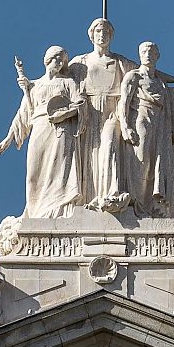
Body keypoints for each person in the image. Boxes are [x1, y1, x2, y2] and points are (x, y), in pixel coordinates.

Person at [0, 46, 85, 219]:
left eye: (62, 60)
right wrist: (9, 137)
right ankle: (35, 212)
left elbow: (80, 104)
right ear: (47, 59)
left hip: (61, 130)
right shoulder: (35, 86)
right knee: (33, 174)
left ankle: (60, 211)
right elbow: (23, 114)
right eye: (56, 58)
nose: (59, 63)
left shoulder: (68, 83)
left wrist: (64, 114)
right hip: (39, 126)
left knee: (60, 171)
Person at [117, 41, 174, 217]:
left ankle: (150, 205)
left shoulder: (160, 81)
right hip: (141, 120)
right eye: (144, 51)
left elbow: (160, 77)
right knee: (140, 160)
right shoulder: (133, 76)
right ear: (139, 55)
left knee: (156, 163)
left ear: (157, 56)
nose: (148, 55)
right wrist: (125, 126)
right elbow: (124, 102)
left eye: (151, 52)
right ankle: (136, 204)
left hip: (160, 124)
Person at [68, 18, 134, 212]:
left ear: (111, 36)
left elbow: (147, 73)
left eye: (106, 31)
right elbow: (58, 80)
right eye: (98, 31)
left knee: (110, 146)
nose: (102, 35)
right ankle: (90, 198)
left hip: (113, 112)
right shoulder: (80, 63)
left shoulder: (121, 63)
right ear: (91, 35)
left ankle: (111, 194)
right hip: (89, 112)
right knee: (90, 154)